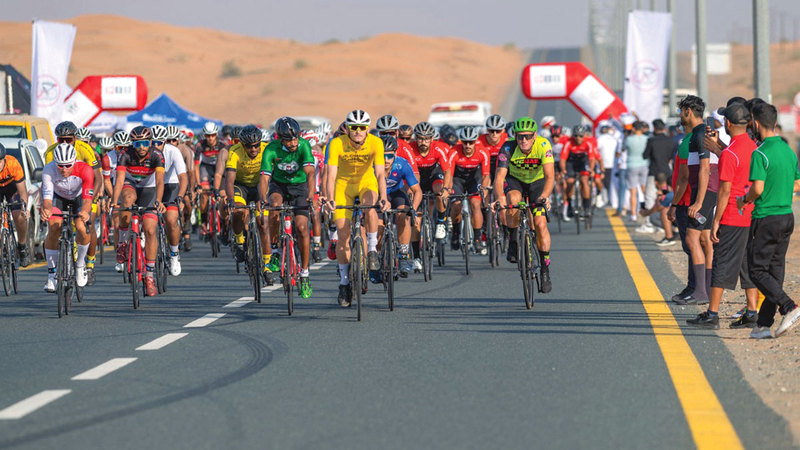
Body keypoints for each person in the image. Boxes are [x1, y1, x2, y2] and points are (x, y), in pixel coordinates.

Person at [687, 102, 758, 329]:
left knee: (721, 263)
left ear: (727, 123)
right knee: (747, 264)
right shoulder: (754, 147)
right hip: (751, 214)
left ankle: (713, 313)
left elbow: (725, 191)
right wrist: (719, 147)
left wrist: (716, 221)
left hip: (732, 215)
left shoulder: (729, 153)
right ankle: (752, 311)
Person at [737, 103, 800, 338]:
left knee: (756, 271)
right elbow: (797, 183)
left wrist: (744, 200)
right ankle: (763, 325)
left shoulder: (760, 153)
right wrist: (780, 193)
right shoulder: (788, 150)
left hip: (766, 218)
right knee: (775, 271)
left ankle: (789, 307)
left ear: (755, 122)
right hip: (787, 217)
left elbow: (757, 188)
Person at [325, 110, 388, 307]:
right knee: (343, 236)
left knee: (370, 206)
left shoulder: (376, 142)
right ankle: (344, 284)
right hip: (343, 186)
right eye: (354, 127)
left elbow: (380, 173)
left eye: (362, 127)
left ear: (367, 128)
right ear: (348, 128)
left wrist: (384, 197)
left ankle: (372, 250)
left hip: (366, 183)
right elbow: (331, 175)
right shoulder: (337, 143)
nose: (358, 131)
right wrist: (329, 198)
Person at [494, 117, 554, 293]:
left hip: (537, 183)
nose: (524, 140)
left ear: (535, 135)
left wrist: (544, 196)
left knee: (540, 224)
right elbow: (499, 177)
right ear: (515, 136)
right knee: (513, 200)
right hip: (516, 181)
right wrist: (499, 197)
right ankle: (513, 239)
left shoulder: (543, 145)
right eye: (520, 136)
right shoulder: (508, 147)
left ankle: (545, 269)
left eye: (527, 136)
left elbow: (550, 176)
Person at [259, 119, 316, 299]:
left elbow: (310, 173)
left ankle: (305, 275)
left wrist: (311, 195)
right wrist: (262, 198)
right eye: (288, 140)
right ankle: (275, 251)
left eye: (295, 139)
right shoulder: (271, 149)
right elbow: (264, 178)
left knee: (301, 227)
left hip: (300, 187)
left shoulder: (304, 146)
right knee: (274, 206)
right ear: (280, 139)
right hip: (279, 186)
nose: (293, 143)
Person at [670, 95, 716, 305]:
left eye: (681, 111)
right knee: (704, 240)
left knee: (692, 239)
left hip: (702, 194)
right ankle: (704, 289)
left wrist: (698, 201)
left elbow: (702, 170)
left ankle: (700, 292)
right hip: (707, 193)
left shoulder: (697, 134)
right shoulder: (703, 132)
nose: (680, 116)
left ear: (688, 111)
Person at [112, 126, 166, 298]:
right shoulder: (125, 154)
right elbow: (119, 179)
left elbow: (160, 181)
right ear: (132, 144)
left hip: (150, 189)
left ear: (150, 142)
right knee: (127, 201)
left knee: (150, 229)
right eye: (137, 144)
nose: (141, 147)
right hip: (130, 185)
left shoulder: (157, 155)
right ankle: (122, 243)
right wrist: (114, 201)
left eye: (144, 143)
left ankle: (149, 276)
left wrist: (159, 201)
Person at [45, 121, 102, 283]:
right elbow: (49, 179)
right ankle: (53, 273)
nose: (64, 142)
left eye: (68, 139)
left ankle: (87, 264)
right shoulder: (51, 152)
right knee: (54, 225)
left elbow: (97, 178)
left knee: (86, 225)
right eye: (60, 139)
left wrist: (92, 200)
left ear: (75, 138)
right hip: (60, 192)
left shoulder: (85, 149)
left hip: (83, 190)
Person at [40, 144, 94, 291]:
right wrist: (47, 210)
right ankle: (52, 275)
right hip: (58, 197)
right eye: (60, 165)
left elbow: (88, 199)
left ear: (74, 161)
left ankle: (80, 264)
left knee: (81, 226)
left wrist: (85, 211)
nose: (64, 169)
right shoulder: (49, 169)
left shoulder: (85, 169)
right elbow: (47, 198)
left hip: (79, 198)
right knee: (54, 225)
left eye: (68, 165)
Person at [404, 121, 451, 271]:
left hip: (433, 176)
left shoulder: (438, 148)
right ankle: (417, 257)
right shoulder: (410, 149)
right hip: (416, 178)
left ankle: (441, 222)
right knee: (416, 221)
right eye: (420, 138)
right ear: (415, 138)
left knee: (439, 190)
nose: (423, 142)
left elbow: (447, 171)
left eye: (426, 139)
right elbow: (407, 173)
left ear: (432, 138)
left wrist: (446, 189)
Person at [381, 135, 422, 278]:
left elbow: (417, 191)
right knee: (378, 227)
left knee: (403, 215)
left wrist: (413, 209)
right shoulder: (372, 165)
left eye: (389, 156)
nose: (386, 160)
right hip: (378, 195)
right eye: (383, 156)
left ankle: (403, 255)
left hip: (396, 193)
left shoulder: (402, 164)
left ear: (395, 154)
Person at [444, 126, 490, 255]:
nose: (468, 145)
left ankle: (477, 238)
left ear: (475, 141)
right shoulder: (454, 152)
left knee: (475, 204)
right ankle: (456, 231)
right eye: (465, 142)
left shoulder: (482, 152)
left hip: (474, 179)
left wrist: (483, 188)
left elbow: (486, 175)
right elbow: (449, 174)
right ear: (461, 142)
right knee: (456, 205)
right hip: (457, 179)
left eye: (471, 142)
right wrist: (447, 189)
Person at [151, 125, 188, 276]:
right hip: (152, 186)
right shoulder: (145, 152)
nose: (155, 146)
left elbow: (183, 177)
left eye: (159, 143)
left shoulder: (173, 151)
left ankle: (174, 254)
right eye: (152, 142)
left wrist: (180, 196)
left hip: (170, 186)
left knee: (171, 220)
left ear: (165, 142)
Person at [193, 121, 227, 239]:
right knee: (204, 194)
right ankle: (203, 221)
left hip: (219, 169)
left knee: (223, 196)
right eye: (208, 135)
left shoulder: (222, 144)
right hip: (206, 169)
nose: (210, 138)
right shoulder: (200, 145)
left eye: (212, 135)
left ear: (216, 134)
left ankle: (224, 222)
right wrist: (198, 184)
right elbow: (196, 166)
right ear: (204, 135)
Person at [641, 119, 674, 233]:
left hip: (654, 172)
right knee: (666, 197)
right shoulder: (670, 140)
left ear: (654, 128)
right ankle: (664, 224)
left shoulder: (651, 140)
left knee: (650, 197)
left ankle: (649, 223)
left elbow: (645, 155)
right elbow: (671, 156)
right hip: (667, 171)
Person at [0, 143, 30, 267]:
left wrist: (25, 208)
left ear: (4, 159)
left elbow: (22, 192)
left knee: (19, 215)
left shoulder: (13, 164)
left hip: (12, 189)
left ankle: (22, 246)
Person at [560, 125, 596, 221]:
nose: (578, 138)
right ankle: (569, 204)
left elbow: (592, 158)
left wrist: (591, 169)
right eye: (576, 136)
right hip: (571, 161)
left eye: (580, 136)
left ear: (584, 135)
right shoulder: (568, 142)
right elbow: (563, 158)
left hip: (583, 161)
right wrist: (563, 170)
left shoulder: (588, 142)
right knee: (570, 182)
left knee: (584, 181)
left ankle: (586, 207)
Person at [624, 121, 649, 222]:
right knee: (645, 190)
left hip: (632, 165)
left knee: (633, 191)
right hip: (644, 164)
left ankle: (633, 214)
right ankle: (648, 211)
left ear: (633, 129)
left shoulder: (629, 139)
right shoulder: (646, 139)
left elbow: (623, 148)